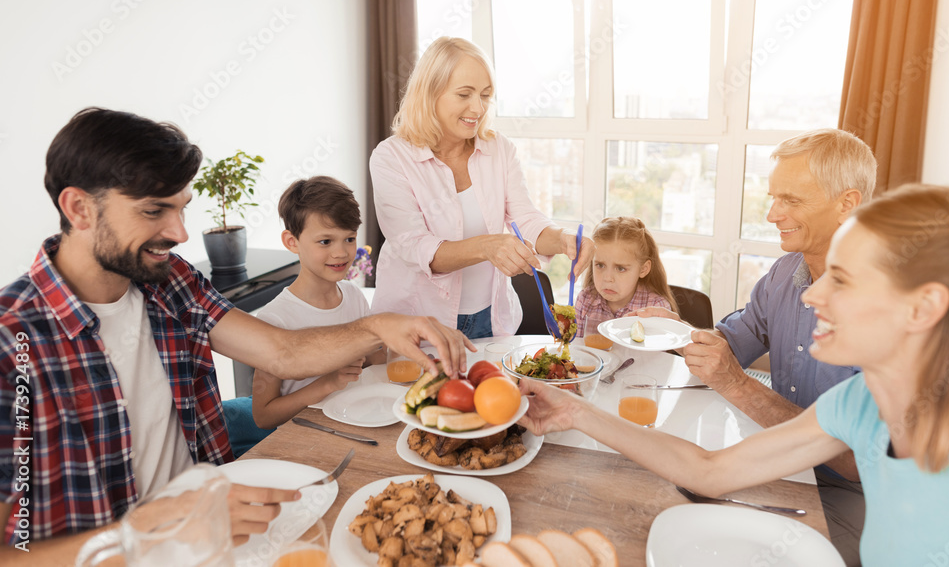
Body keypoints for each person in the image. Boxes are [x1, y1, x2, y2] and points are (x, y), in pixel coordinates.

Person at [0, 108, 471, 562]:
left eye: (182, 208)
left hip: (222, 543)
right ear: (79, 208)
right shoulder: (12, 344)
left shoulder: (170, 281)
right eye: (153, 211)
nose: (180, 232)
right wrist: (140, 536)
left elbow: (281, 351)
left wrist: (376, 325)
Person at [520, 183, 949, 566]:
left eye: (844, 280)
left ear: (923, 307)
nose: (811, 296)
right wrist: (574, 410)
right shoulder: (857, 402)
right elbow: (711, 471)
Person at [631, 128, 876, 565]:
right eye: (773, 197)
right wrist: (677, 331)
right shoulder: (784, 274)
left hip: (852, 496)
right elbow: (733, 342)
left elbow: (865, 463)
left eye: (791, 201)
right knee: (652, 505)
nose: (772, 214)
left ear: (847, 204)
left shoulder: (882, 307)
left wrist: (739, 386)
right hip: (774, 461)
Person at [370, 37, 594, 339]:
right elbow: (414, 246)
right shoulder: (392, 157)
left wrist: (564, 239)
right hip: (418, 322)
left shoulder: (498, 148)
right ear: (429, 94)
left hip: (492, 319)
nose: (477, 108)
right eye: (464, 94)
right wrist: (487, 246)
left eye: (486, 95)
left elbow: (524, 219)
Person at [251, 176, 385, 430]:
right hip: (305, 438)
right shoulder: (275, 319)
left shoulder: (354, 297)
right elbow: (263, 416)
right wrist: (327, 383)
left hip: (356, 421)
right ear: (292, 242)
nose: (341, 253)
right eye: (325, 241)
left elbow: (371, 360)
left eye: (349, 238)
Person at [575, 216, 679, 327]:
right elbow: (575, 344)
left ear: (643, 269)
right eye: (600, 265)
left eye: (620, 268)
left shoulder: (656, 308)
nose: (608, 278)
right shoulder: (585, 300)